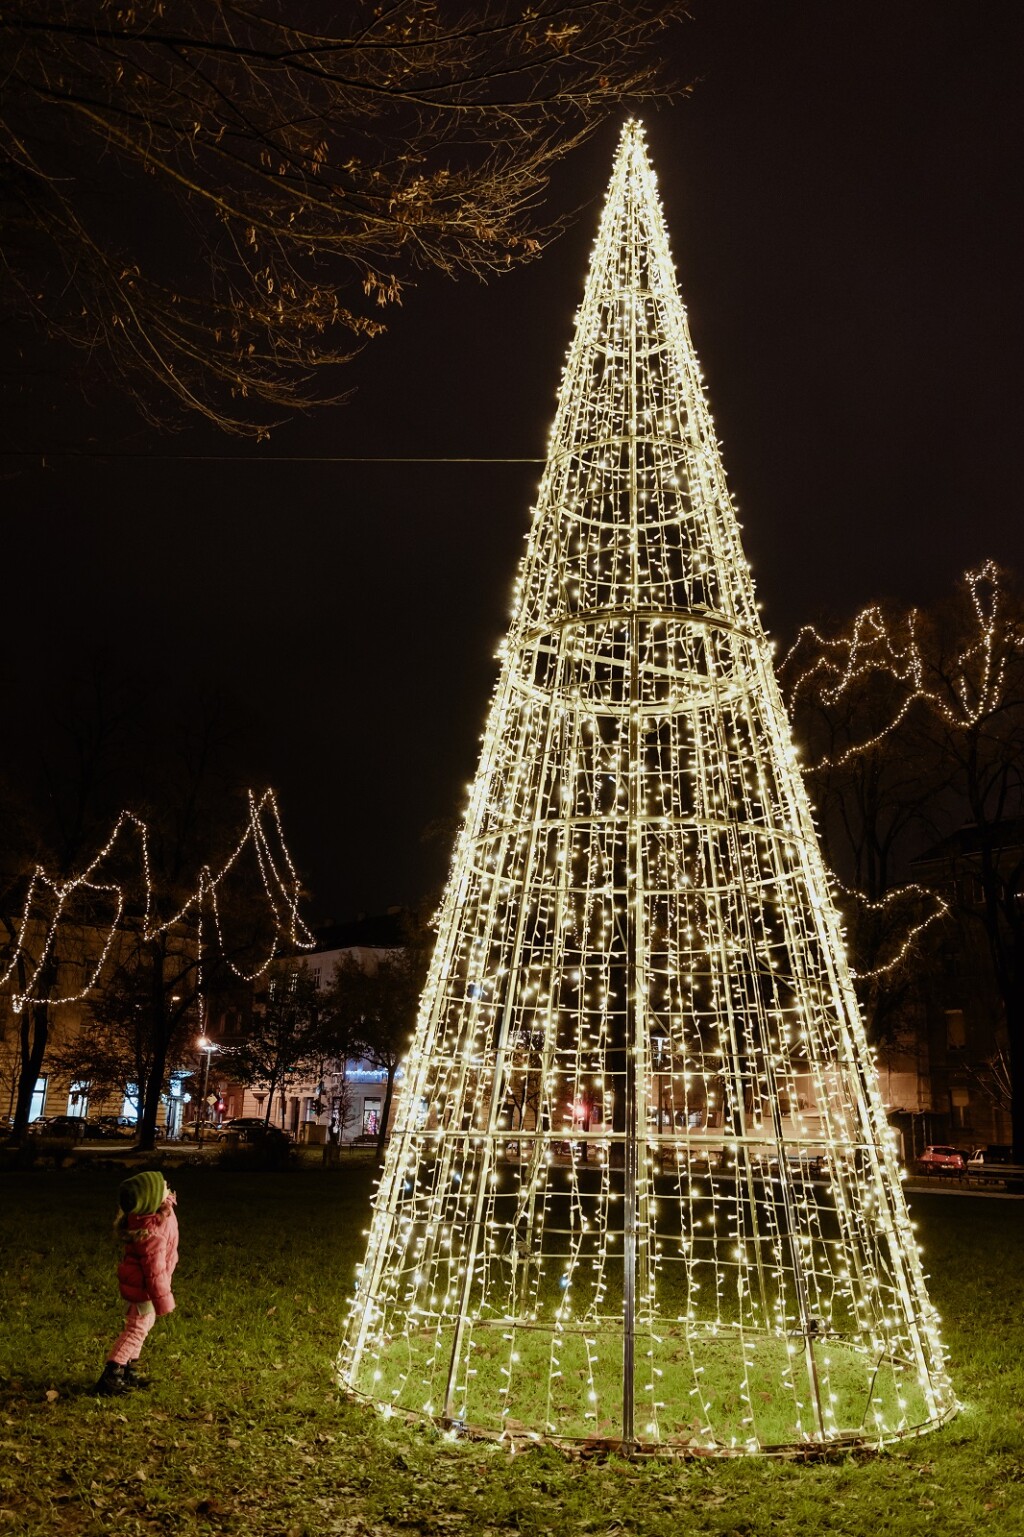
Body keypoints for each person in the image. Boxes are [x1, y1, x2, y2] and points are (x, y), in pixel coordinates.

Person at [93, 1170, 179, 1396]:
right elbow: (155, 1271)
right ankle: (112, 1373)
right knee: (136, 1328)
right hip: (145, 1288)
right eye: (162, 1187)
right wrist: (163, 1299)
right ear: (152, 1200)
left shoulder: (155, 1214)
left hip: (145, 1285)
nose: (167, 1188)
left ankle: (129, 1369)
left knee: (143, 1326)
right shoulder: (151, 1233)